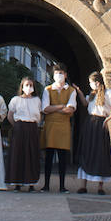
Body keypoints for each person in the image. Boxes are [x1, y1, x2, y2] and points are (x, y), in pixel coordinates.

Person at [40, 63, 79, 193]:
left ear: (65, 75)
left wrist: (54, 108)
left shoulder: (71, 91)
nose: (59, 76)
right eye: (56, 73)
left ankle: (62, 186)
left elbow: (70, 109)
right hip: (50, 126)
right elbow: (45, 108)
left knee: (63, 158)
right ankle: (46, 185)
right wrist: (61, 106)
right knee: (49, 157)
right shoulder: (47, 89)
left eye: (61, 73)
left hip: (63, 126)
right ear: (53, 75)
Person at [75, 71, 111, 195]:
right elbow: (85, 103)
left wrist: (108, 119)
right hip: (90, 123)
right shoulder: (92, 94)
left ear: (97, 83)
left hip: (101, 123)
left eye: (91, 82)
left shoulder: (108, 93)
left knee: (100, 153)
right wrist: (79, 91)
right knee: (87, 151)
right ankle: (83, 184)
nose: (90, 85)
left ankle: (100, 186)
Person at [5, 76, 42, 192]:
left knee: (32, 154)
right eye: (27, 85)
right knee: (18, 153)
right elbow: (10, 115)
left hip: (32, 127)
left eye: (31, 85)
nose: (29, 87)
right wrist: (16, 126)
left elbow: (39, 115)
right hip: (20, 127)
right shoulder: (15, 100)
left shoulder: (37, 100)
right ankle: (17, 183)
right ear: (22, 87)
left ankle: (31, 183)